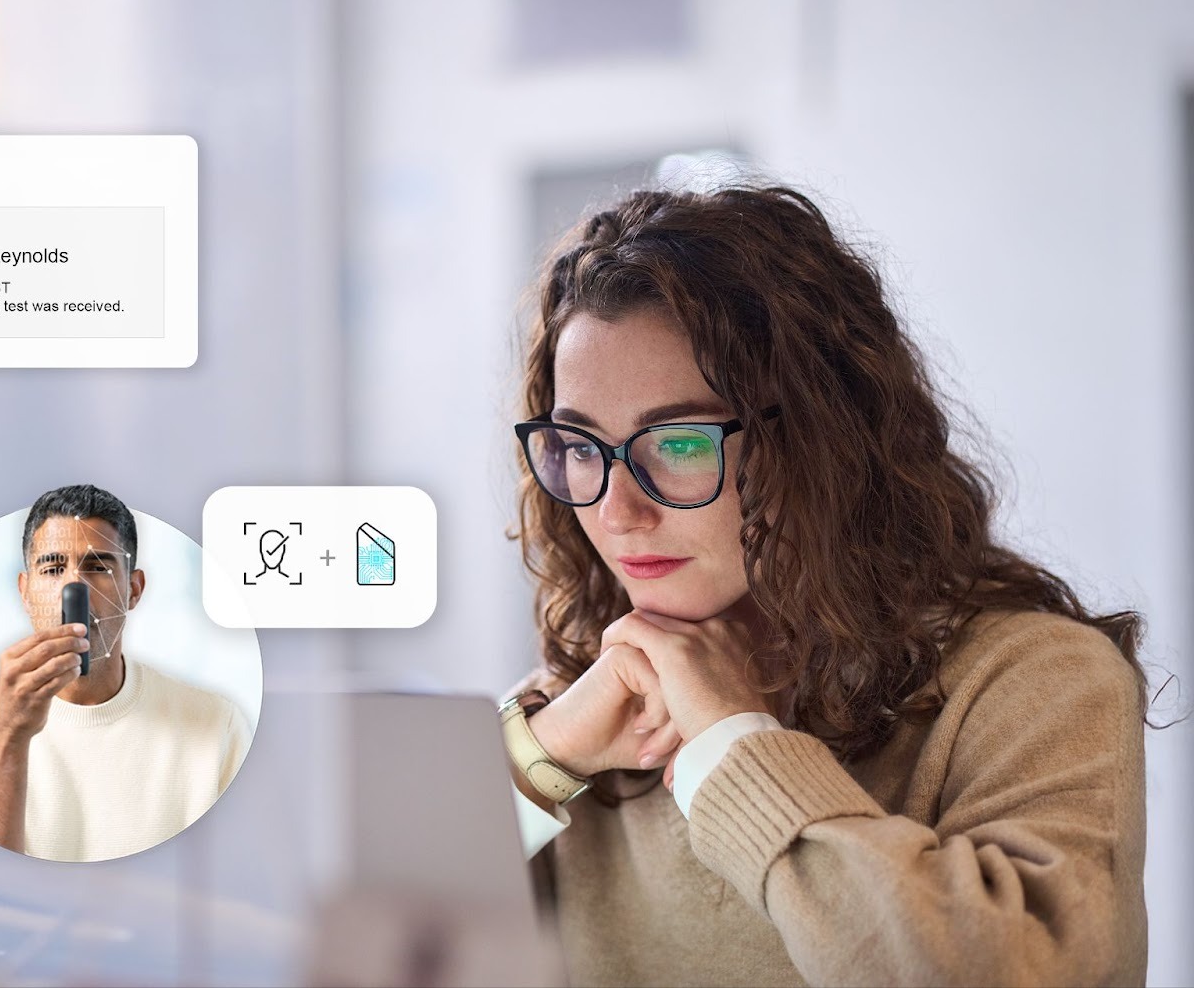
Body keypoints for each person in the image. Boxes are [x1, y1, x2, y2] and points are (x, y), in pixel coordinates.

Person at [498, 185, 1164, 985]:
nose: (616, 509)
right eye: (578, 445)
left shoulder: (1036, 683)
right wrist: (538, 760)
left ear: (822, 442)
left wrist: (732, 746)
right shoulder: (588, 700)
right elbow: (368, 930)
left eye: (676, 444)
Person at [0, 484, 250, 862]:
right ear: (26, 592)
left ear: (134, 589)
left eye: (98, 566)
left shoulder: (217, 725)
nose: (75, 588)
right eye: (53, 568)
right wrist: (8, 734)